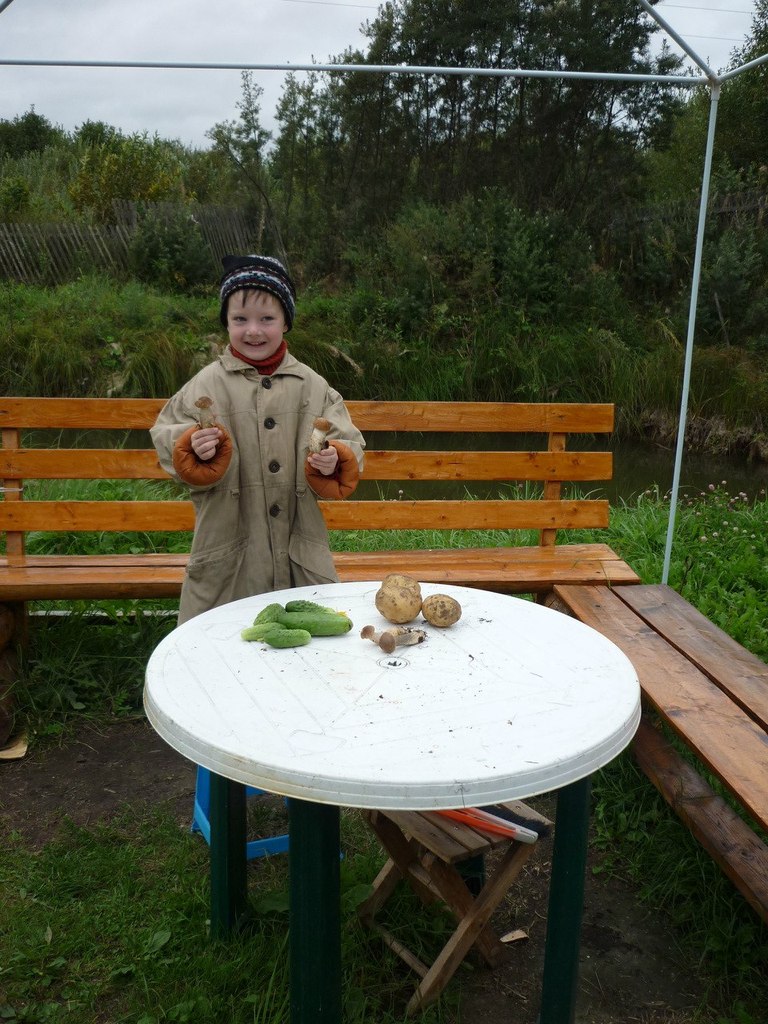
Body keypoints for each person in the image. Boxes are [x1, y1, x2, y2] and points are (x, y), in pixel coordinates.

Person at [151, 254, 365, 624]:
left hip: (299, 550)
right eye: (240, 319)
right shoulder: (206, 385)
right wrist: (192, 446)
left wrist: (334, 458)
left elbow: (349, 444)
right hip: (228, 551)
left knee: (308, 650)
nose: (253, 330)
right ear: (226, 323)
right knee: (218, 645)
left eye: (267, 319)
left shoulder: (313, 387)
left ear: (286, 322)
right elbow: (167, 436)